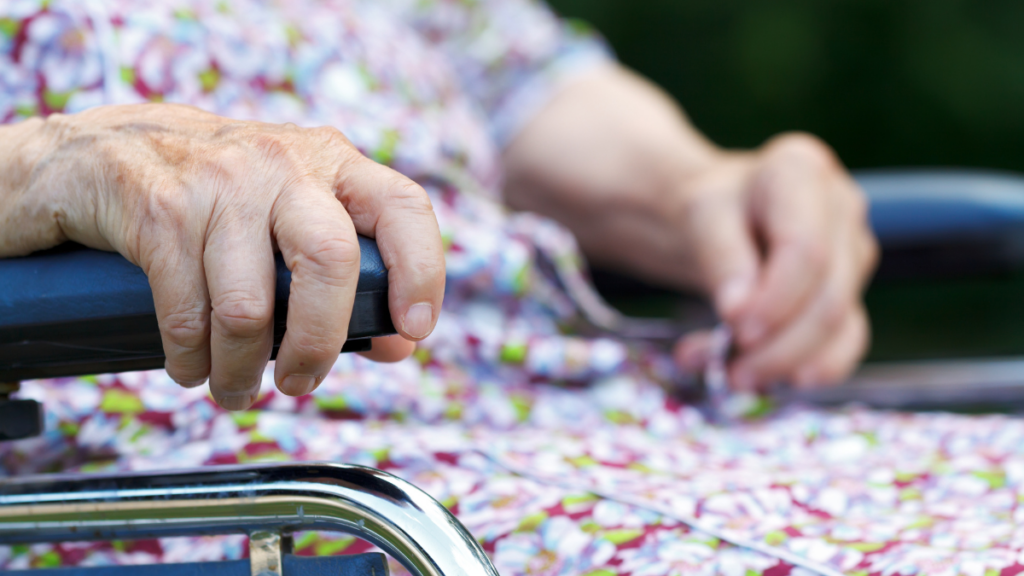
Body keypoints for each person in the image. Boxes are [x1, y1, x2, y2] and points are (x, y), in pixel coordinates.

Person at [0, 1, 950, 575]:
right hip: (229, 477)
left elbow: (519, 82)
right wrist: (47, 162)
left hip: (600, 415)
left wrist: (703, 190)